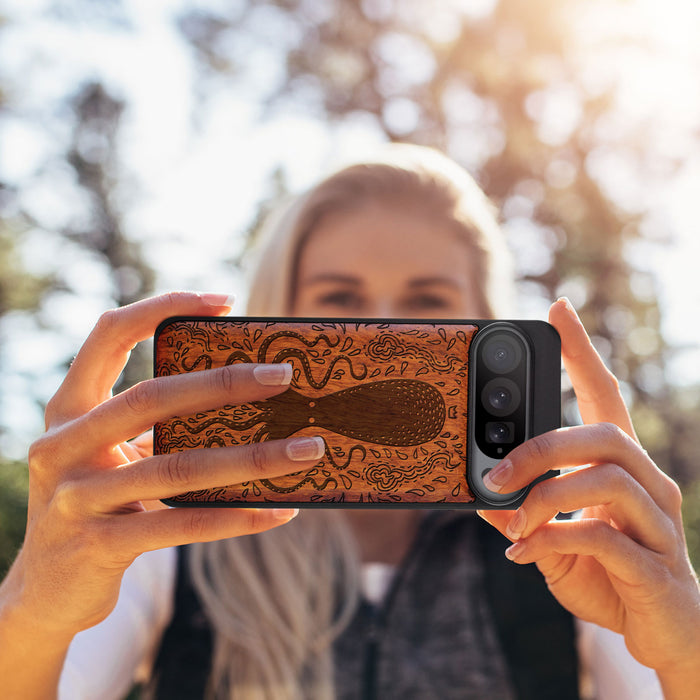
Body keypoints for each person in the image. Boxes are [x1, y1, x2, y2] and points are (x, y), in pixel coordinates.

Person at [0, 145, 698, 700]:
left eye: (427, 302)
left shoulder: (568, 544)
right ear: (279, 312)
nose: (384, 327)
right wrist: (34, 607)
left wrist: (685, 649)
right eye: (340, 299)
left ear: (487, 323)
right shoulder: (170, 534)